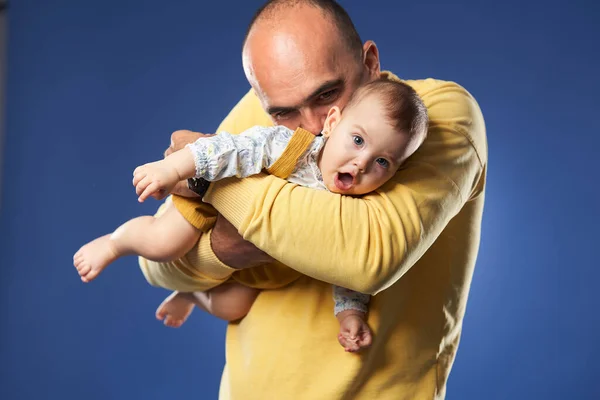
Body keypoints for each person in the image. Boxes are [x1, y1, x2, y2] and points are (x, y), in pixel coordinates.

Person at [140, 0, 487, 398]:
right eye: (284, 113)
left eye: (327, 94)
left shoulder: (435, 118)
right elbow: (156, 263)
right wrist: (227, 249)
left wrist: (210, 182)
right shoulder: (263, 113)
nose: (314, 127)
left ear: (370, 62)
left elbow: (367, 257)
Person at [74, 79, 428, 353]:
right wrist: (174, 167)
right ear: (333, 123)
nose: (362, 163)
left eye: (383, 162)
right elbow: (231, 148)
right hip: (210, 202)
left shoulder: (356, 207)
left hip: (254, 264)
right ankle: (116, 242)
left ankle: (193, 297)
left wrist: (350, 313)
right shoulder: (293, 147)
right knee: (164, 244)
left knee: (234, 306)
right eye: (358, 140)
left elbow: (347, 265)